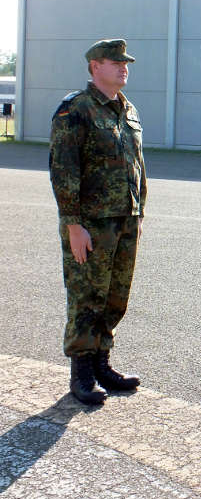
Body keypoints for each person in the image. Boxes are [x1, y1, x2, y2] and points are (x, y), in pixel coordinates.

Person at [49, 39, 145, 405]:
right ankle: (82, 372)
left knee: (115, 297)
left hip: (125, 220)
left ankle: (102, 362)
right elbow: (63, 169)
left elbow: (138, 168)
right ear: (94, 67)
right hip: (90, 223)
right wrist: (73, 223)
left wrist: (138, 212)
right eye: (114, 62)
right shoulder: (76, 110)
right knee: (87, 296)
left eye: (126, 62)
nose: (123, 67)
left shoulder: (128, 110)